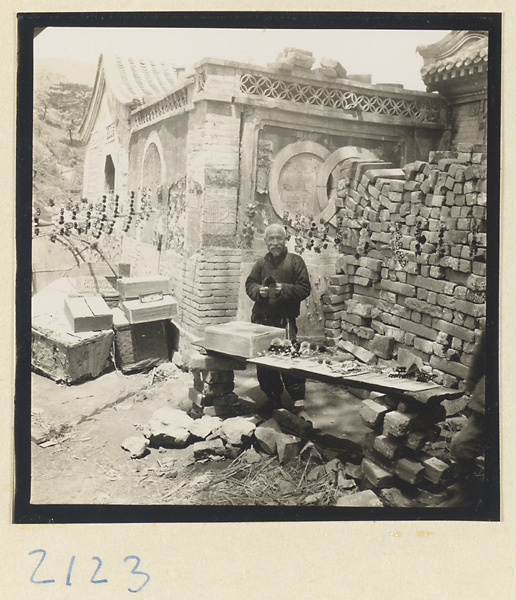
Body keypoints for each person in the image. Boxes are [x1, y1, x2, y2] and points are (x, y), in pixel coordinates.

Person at [245, 224, 311, 413]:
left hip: (284, 321)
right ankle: (273, 398)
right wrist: (259, 291)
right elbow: (250, 284)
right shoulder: (260, 263)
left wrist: (284, 289)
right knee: (264, 362)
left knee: (289, 358)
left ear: (285, 240)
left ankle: (298, 398)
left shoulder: (295, 261)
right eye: (271, 239)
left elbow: (304, 288)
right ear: (265, 242)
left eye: (279, 238)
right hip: (261, 320)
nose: (275, 243)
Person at [441, 328, 485, 507]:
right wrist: (472, 384)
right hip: (488, 407)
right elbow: (481, 355)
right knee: (461, 446)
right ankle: (469, 491)